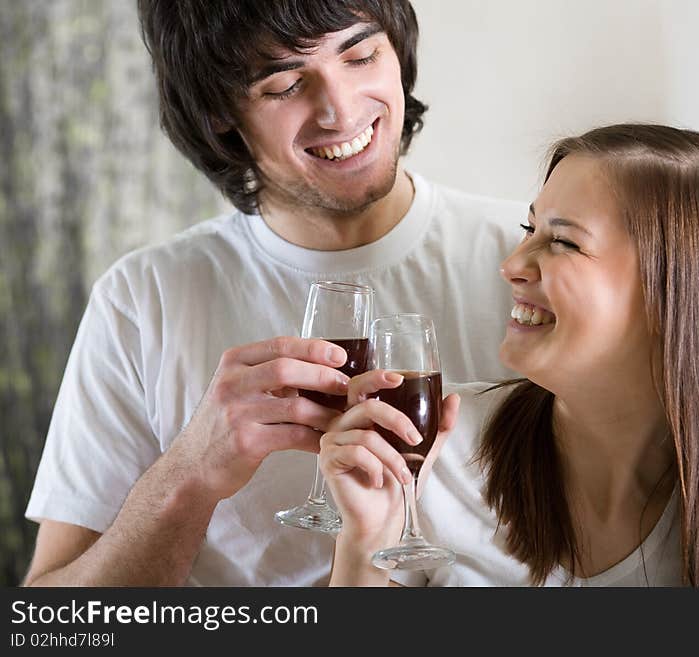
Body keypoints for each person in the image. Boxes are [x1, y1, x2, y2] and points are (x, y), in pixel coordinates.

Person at [22, 0, 524, 586]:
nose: (340, 111)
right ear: (218, 113)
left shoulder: (526, 261)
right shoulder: (143, 300)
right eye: (285, 85)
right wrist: (192, 472)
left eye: (361, 55)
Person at [320, 123, 699, 586]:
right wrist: (366, 537)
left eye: (563, 241)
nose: (512, 264)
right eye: (528, 229)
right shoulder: (436, 452)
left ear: (679, 295)